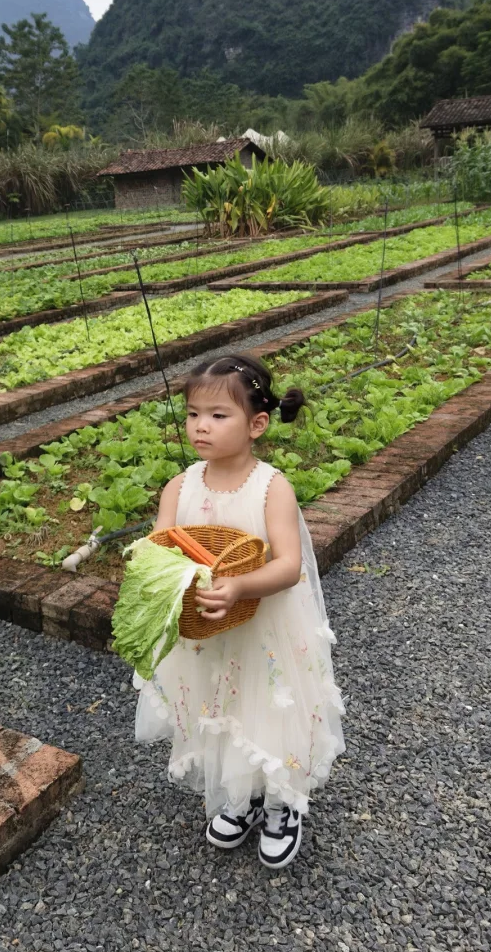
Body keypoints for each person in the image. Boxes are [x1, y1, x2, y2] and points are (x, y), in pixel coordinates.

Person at [135, 351, 345, 869]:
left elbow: (290, 566)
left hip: (264, 628)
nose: (200, 427)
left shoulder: (271, 487)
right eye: (192, 415)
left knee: (268, 709)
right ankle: (243, 797)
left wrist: (240, 586)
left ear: (257, 424)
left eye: (217, 415)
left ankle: (281, 804)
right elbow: (160, 546)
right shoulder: (180, 485)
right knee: (220, 707)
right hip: (208, 627)